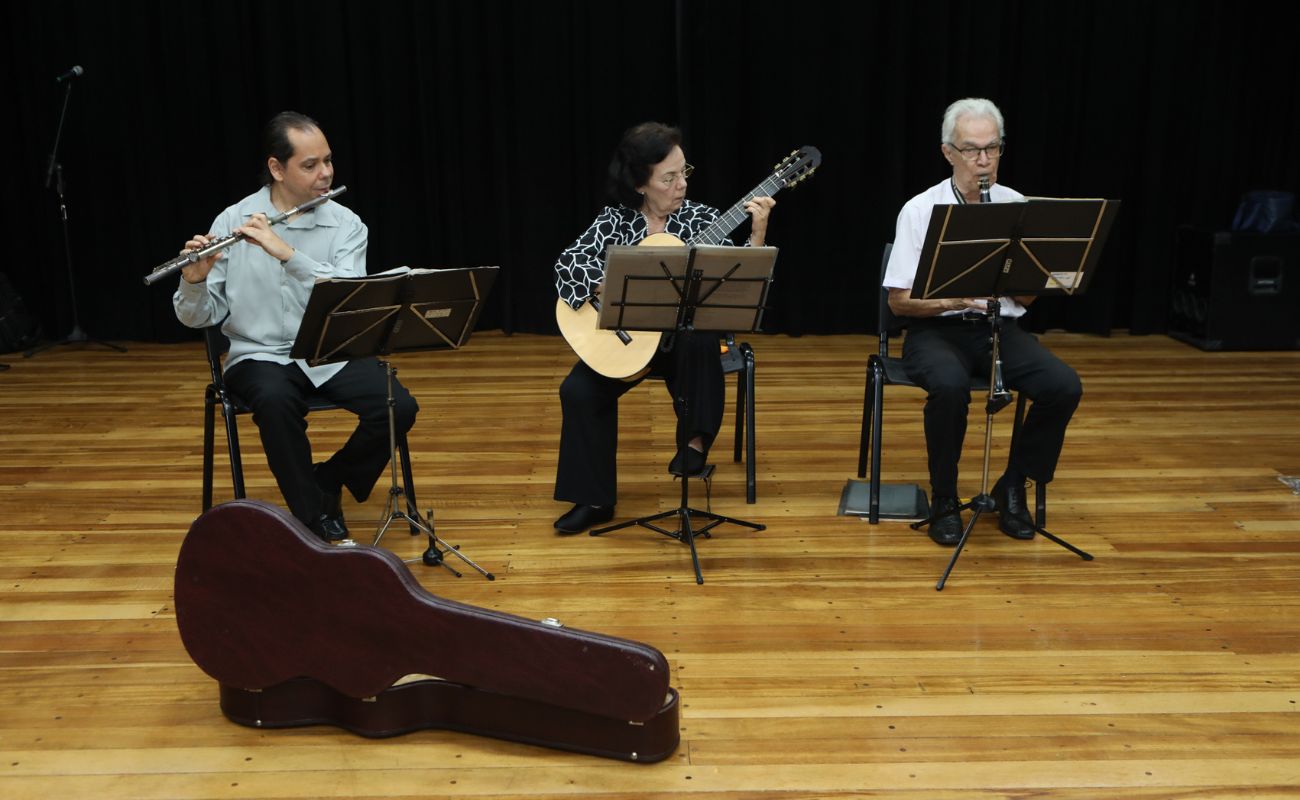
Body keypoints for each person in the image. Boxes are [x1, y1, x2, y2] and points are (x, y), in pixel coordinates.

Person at [174, 111, 418, 542]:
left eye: (328, 161)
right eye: (310, 165)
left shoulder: (346, 225)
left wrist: (287, 254)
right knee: (274, 400)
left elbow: (349, 297)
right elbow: (200, 316)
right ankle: (313, 521)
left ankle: (327, 481)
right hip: (259, 353)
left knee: (397, 405)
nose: (325, 174)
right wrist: (192, 283)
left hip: (329, 349)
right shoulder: (233, 220)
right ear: (276, 168)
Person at [552, 121, 775, 534]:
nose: (680, 185)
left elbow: (739, 286)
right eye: (668, 178)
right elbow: (567, 266)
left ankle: (693, 443)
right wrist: (607, 283)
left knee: (700, 336)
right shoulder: (614, 222)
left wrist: (757, 235)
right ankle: (594, 499)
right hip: (630, 343)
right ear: (640, 185)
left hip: (684, 350)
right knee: (577, 390)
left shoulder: (701, 219)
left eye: (684, 173)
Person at [882, 97, 1082, 546]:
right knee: (950, 387)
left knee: (1063, 385)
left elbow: (1027, 296)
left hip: (999, 328)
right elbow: (899, 302)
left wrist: (1044, 274)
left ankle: (1013, 485)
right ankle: (945, 499)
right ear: (948, 152)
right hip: (936, 330)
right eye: (972, 150)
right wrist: (956, 297)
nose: (984, 160)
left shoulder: (1016, 205)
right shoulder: (919, 209)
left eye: (993, 148)